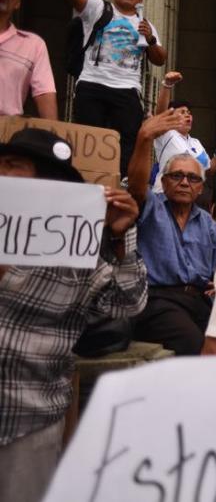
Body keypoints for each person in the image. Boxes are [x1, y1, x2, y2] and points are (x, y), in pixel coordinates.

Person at [0, 128, 146, 502]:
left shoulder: (77, 255)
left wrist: (122, 237)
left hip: (26, 427)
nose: (2, 173)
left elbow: (126, 305)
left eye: (14, 165)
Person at [47, 0, 167, 176]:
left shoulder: (146, 24)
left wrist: (150, 39)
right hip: (92, 83)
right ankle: (84, 178)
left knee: (128, 140)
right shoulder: (98, 8)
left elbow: (160, 59)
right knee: (87, 138)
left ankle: (121, 181)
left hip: (127, 89)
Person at [127, 110, 216, 355]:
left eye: (193, 178)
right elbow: (136, 187)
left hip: (201, 302)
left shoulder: (207, 224)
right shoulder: (151, 207)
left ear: (200, 188)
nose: (184, 182)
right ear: (164, 179)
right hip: (158, 302)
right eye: (177, 176)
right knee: (201, 349)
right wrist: (144, 139)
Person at [150, 71, 216, 191]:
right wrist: (167, 85)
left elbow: (208, 170)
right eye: (182, 112)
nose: (187, 116)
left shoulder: (195, 142)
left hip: (188, 196)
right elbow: (160, 115)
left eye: (189, 113)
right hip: (163, 196)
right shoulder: (166, 134)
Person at [0, 0, 57, 119]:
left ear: (17, 2)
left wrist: (53, 137)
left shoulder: (34, 45)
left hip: (6, 134)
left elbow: (44, 93)